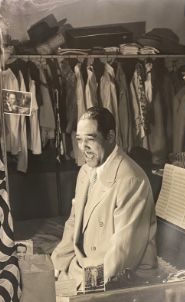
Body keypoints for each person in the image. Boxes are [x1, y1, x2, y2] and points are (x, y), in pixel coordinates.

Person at [51, 106, 158, 290]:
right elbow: (73, 223)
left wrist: (82, 286)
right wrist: (56, 268)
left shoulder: (131, 179)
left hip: (119, 279)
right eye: (79, 140)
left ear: (110, 137)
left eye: (90, 139)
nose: (83, 148)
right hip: (85, 267)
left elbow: (122, 256)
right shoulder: (86, 170)